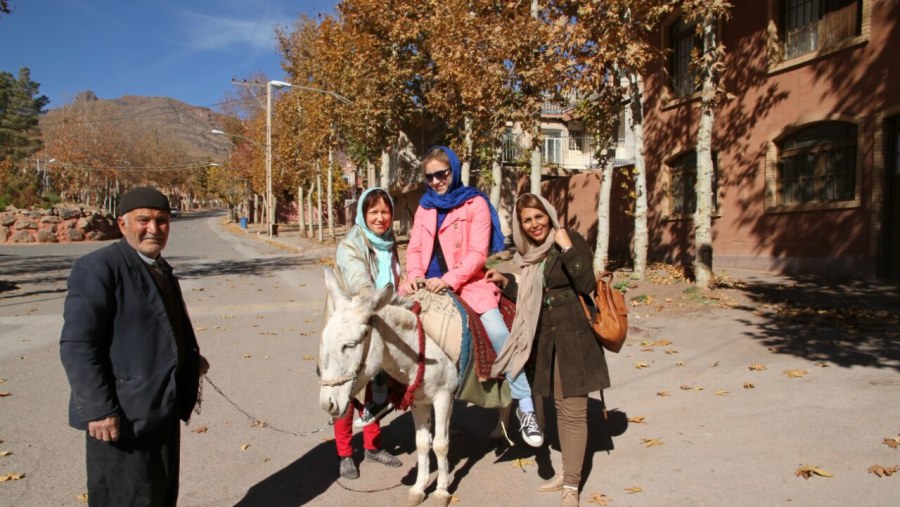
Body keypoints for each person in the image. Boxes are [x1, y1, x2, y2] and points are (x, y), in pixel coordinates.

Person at [59, 186, 210, 507]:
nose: (153, 228)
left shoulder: (158, 267)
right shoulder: (99, 268)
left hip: (160, 409)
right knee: (125, 499)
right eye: (143, 220)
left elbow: (161, 328)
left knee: (159, 494)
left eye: (162, 220)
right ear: (122, 222)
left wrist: (190, 360)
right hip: (121, 418)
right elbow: (78, 344)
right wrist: (99, 409)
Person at [404, 145, 543, 447]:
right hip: (424, 284)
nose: (436, 181)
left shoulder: (474, 203)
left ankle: (525, 406)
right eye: (429, 177)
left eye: (441, 174)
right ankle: (380, 395)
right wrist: (415, 276)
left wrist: (449, 279)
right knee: (386, 324)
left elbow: (478, 253)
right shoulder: (425, 207)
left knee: (497, 332)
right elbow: (415, 248)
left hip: (467, 282)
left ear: (453, 171)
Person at [486, 193, 610, 507]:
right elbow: (533, 293)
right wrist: (506, 282)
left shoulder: (569, 240)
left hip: (575, 340)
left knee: (572, 413)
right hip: (546, 342)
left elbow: (585, 283)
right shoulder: (529, 254)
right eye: (527, 220)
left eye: (539, 216)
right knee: (558, 409)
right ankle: (569, 472)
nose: (534, 224)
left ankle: (571, 485)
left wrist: (567, 246)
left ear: (549, 214)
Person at [329, 187, 403, 479]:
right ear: (362, 213)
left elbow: (395, 280)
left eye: (385, 212)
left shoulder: (388, 242)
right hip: (353, 325)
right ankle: (345, 453)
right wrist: (376, 304)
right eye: (374, 212)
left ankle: (372, 446)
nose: (380, 218)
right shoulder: (351, 245)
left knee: (376, 386)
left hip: (381, 322)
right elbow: (361, 282)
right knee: (347, 390)